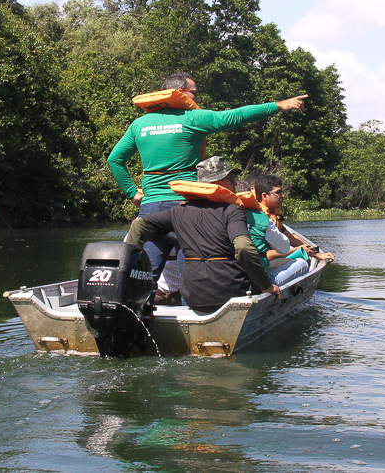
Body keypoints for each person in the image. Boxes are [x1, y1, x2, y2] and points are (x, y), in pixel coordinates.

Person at [108, 72, 308, 298]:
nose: (198, 99)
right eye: (195, 93)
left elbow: (114, 160)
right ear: (182, 93)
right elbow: (236, 116)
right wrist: (278, 105)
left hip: (151, 207)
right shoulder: (191, 118)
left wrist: (132, 193)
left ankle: (139, 316)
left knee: (145, 274)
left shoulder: (139, 124)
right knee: (193, 269)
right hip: (186, 208)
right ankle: (192, 315)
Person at [126, 157, 280, 314]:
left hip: (193, 294)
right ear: (218, 182)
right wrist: (266, 285)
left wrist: (128, 265)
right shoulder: (232, 211)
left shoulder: (179, 211)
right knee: (266, 285)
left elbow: (138, 226)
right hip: (230, 292)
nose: (234, 184)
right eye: (230, 179)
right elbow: (244, 248)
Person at [252, 174, 335, 277]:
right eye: (278, 192)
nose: (283, 195)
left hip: (269, 259)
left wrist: (316, 254)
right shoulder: (257, 219)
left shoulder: (272, 215)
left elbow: (291, 238)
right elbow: (263, 255)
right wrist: (296, 250)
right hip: (258, 264)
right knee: (303, 261)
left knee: (304, 257)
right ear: (265, 196)